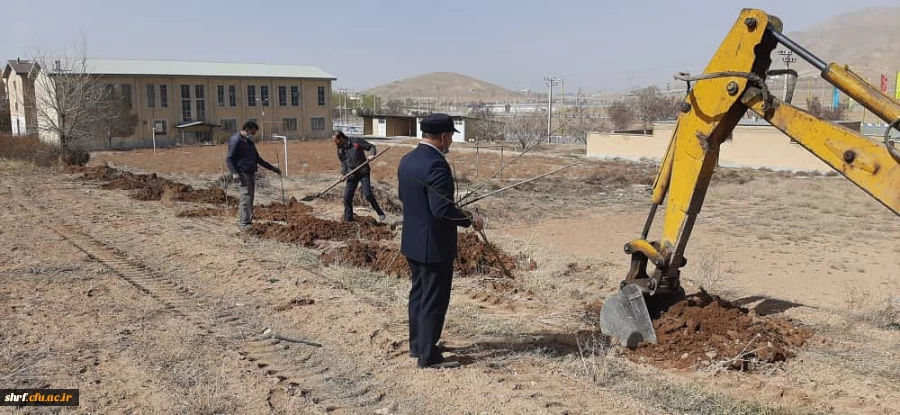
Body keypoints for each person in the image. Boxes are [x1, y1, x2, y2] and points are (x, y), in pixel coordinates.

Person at [397, 113, 483, 369]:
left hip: (412, 240)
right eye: (451, 137)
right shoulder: (436, 165)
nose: (451, 142)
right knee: (434, 299)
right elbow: (441, 210)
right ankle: (428, 356)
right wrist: (469, 219)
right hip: (433, 245)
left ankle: (418, 345)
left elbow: (406, 197)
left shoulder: (407, 160)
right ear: (444, 137)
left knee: (419, 294)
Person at [225, 121, 281, 231]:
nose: (253, 135)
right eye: (253, 133)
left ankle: (248, 221)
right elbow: (229, 158)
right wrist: (235, 173)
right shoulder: (236, 140)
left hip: (251, 173)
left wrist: (272, 168)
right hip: (242, 173)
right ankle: (244, 223)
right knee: (246, 197)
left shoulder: (249, 142)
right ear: (247, 130)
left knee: (250, 198)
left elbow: (257, 159)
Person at [333, 131, 387, 222]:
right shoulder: (340, 149)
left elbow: (371, 147)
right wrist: (343, 174)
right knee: (347, 197)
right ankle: (348, 220)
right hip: (352, 174)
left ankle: (380, 212)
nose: (335, 143)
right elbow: (343, 163)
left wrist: (372, 154)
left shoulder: (356, 141)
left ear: (341, 138)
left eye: (336, 141)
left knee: (367, 194)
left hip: (363, 171)